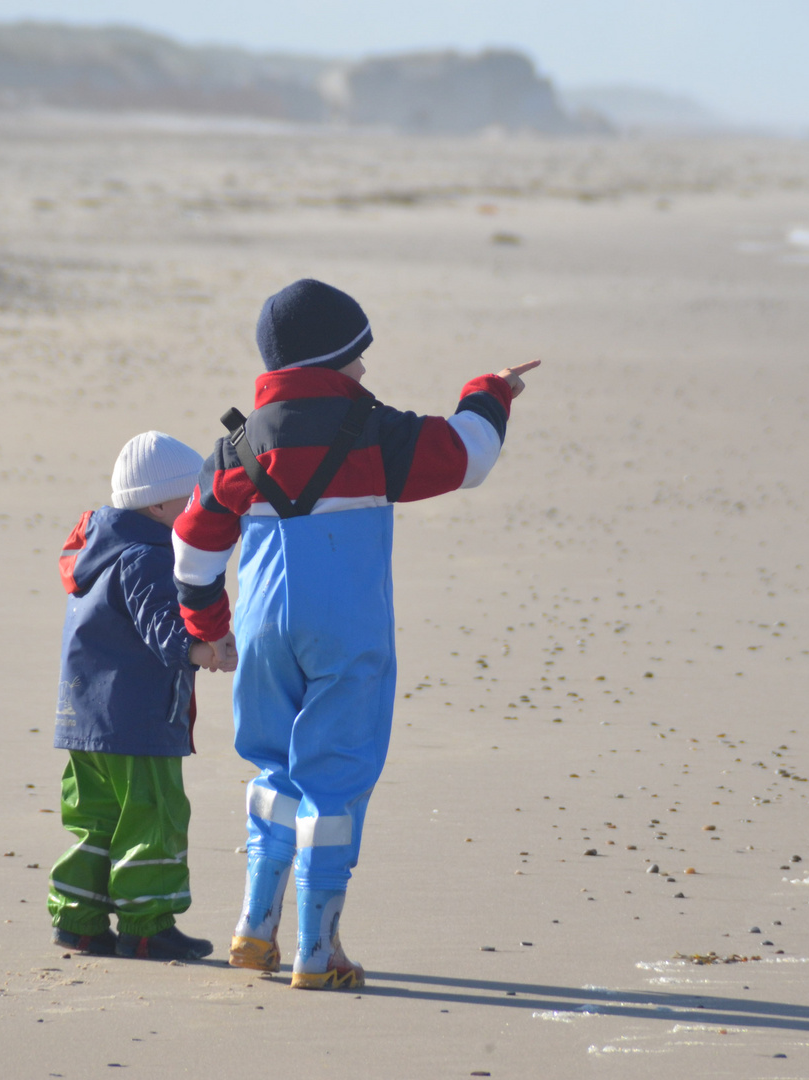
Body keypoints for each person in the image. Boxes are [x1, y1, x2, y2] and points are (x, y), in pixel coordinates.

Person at [172, 278, 539, 989]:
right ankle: (317, 949)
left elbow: (193, 550)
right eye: (356, 359)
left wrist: (209, 628)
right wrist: (490, 390)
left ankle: (254, 925)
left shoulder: (236, 449)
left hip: (263, 629)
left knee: (274, 768)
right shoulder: (375, 433)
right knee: (335, 782)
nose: (365, 372)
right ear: (329, 362)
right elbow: (470, 455)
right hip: (346, 634)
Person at [47, 431, 237, 961]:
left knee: (94, 817)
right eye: (190, 498)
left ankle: (78, 919)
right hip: (138, 720)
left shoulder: (97, 552)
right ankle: (147, 923)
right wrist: (208, 652)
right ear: (158, 506)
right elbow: (164, 630)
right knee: (153, 814)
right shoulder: (148, 556)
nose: (199, 506)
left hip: (84, 718)